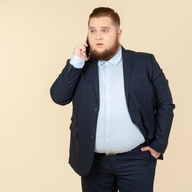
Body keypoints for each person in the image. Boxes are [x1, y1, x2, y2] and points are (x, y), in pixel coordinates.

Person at [50, 7, 175, 192]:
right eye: (92, 31)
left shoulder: (145, 63)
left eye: (104, 30)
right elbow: (59, 97)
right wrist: (75, 61)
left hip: (136, 161)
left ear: (118, 33)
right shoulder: (79, 66)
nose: (98, 36)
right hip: (93, 163)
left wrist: (158, 145)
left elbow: (165, 103)